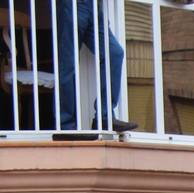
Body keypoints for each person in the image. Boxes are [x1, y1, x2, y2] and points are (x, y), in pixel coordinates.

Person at [56, 0, 138, 133]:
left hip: (93, 6)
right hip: (72, 4)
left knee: (114, 53)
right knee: (68, 63)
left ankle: (104, 117)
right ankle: (65, 124)